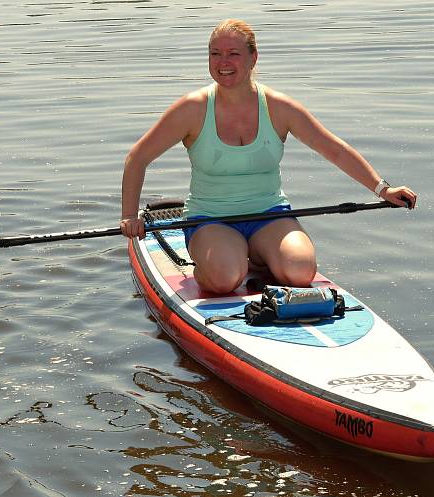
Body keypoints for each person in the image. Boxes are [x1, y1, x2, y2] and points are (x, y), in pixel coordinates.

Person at [120, 19, 417, 294]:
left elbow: (335, 150)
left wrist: (383, 189)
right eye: (215, 54)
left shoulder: (278, 107)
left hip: (269, 214)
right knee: (224, 279)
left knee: (300, 272)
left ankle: (256, 257)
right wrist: (130, 217)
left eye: (233, 54)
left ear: (253, 58)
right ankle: (215, 266)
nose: (223, 63)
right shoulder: (192, 108)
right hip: (209, 218)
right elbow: (138, 157)